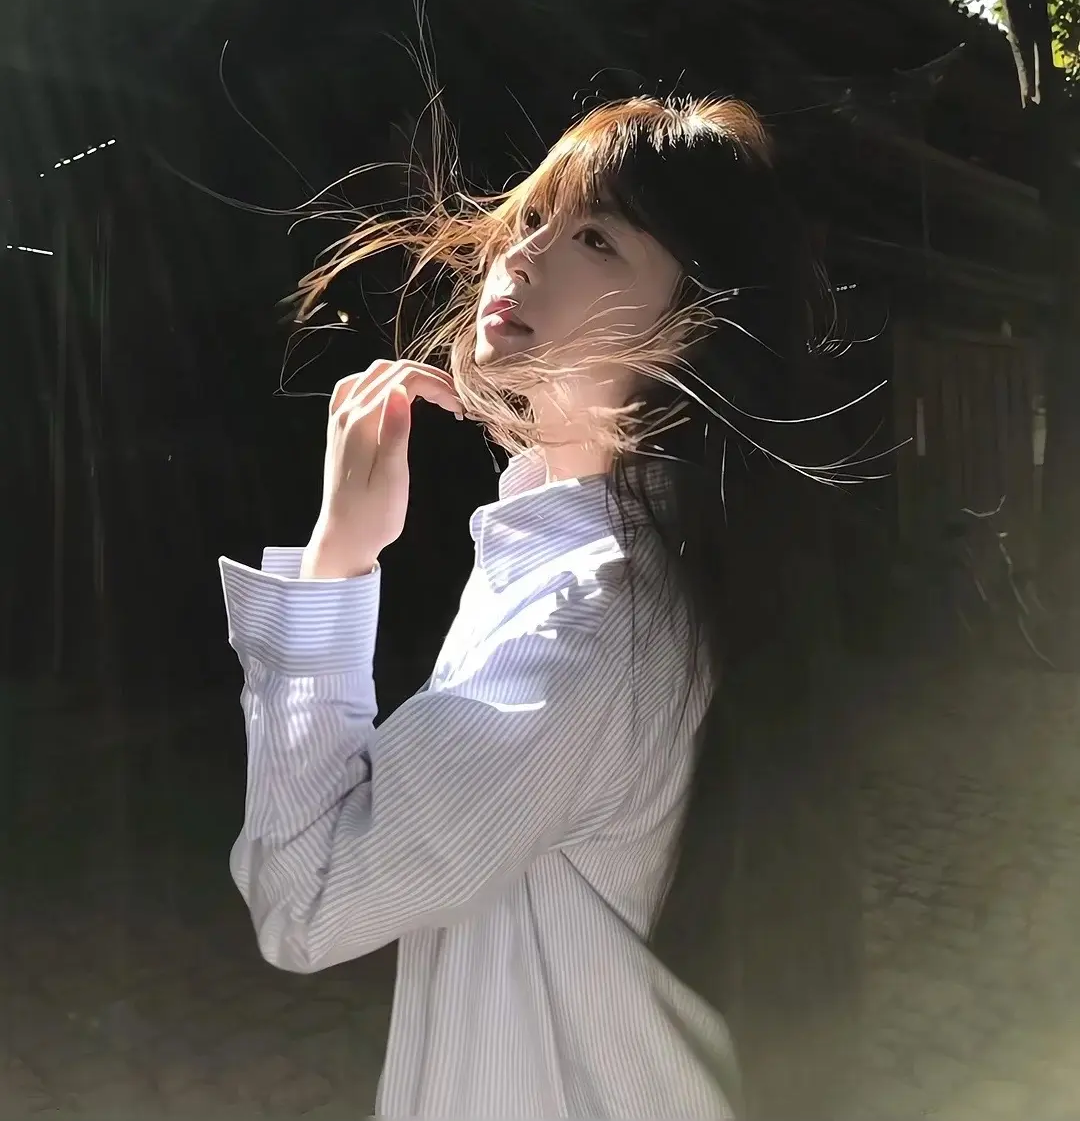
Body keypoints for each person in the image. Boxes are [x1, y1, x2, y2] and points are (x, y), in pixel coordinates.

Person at [219, 95, 858, 1120]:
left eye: (596, 238)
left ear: (694, 327)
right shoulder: (611, 553)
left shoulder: (590, 614)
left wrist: (338, 560)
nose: (522, 253)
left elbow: (309, 896)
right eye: (531, 218)